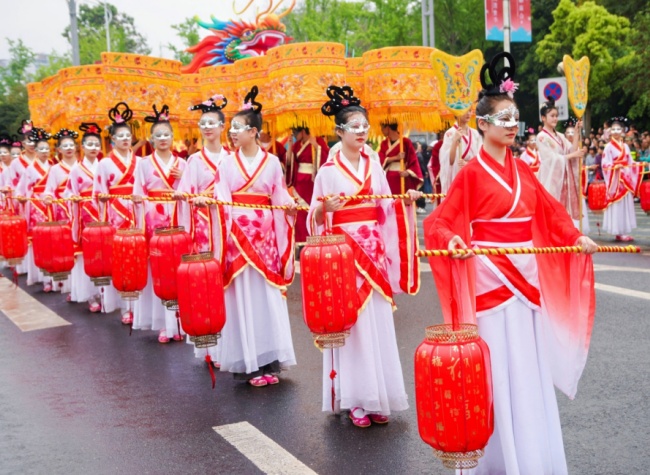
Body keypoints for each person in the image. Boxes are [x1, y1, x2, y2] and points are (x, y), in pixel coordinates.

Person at [424, 52, 597, 474]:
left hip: (527, 279)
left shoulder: (523, 169)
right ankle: (500, 462)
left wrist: (575, 236)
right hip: (490, 279)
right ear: (483, 124)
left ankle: (534, 457)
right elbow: (439, 223)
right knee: (497, 369)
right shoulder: (471, 174)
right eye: (502, 118)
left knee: (529, 369)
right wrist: (453, 243)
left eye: (514, 117)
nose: (511, 125)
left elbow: (550, 212)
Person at [308, 85, 421, 427]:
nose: (360, 132)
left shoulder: (375, 166)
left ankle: (379, 395)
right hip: (345, 259)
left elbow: (387, 206)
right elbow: (314, 217)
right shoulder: (327, 171)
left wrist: (407, 199)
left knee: (378, 324)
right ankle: (355, 398)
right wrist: (323, 209)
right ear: (339, 131)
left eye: (364, 126)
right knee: (353, 326)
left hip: (374, 254)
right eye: (353, 127)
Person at [194, 86, 297, 387]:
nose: (233, 133)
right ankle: (249, 363)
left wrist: (289, 208)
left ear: (253, 132)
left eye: (238, 128)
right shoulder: (227, 164)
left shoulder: (273, 162)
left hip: (265, 237)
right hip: (237, 236)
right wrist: (211, 205)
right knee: (243, 298)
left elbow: (278, 196)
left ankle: (269, 361)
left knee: (266, 297)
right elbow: (221, 196)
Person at [175, 93, 230, 364]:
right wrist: (189, 198)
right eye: (203, 124)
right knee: (208, 284)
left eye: (212, 123)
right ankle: (210, 347)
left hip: (230, 228)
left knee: (229, 284)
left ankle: (232, 345)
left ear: (223, 126)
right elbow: (184, 192)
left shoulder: (233, 158)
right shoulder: (194, 161)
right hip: (205, 229)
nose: (207, 128)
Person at [132, 104, 187, 343]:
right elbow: (137, 194)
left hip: (177, 218)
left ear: (173, 137)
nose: (163, 139)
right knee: (159, 271)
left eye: (167, 134)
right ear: (151, 138)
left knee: (178, 271)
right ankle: (164, 323)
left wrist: (182, 180)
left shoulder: (183, 164)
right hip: (153, 220)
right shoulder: (143, 164)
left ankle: (180, 321)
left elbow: (190, 193)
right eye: (158, 135)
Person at [93, 102, 140, 325]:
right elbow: (97, 192)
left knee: (139, 255)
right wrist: (103, 198)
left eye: (127, 135)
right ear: (112, 140)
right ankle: (124, 306)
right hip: (115, 212)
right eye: (119, 136)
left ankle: (140, 306)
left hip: (138, 211)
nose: (124, 139)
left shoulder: (140, 162)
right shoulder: (103, 164)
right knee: (121, 257)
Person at [537, 105, 585, 230]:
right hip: (551, 179)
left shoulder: (560, 136)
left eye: (556, 116)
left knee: (563, 211)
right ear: (543, 118)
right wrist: (573, 154)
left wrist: (576, 133)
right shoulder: (541, 137)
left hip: (564, 178)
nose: (555, 119)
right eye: (552, 116)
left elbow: (571, 149)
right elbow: (550, 159)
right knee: (552, 210)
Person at [15, 128, 52, 290]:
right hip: (36, 205)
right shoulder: (30, 169)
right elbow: (21, 190)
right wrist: (23, 199)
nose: (44, 152)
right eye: (41, 149)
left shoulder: (53, 165)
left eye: (46, 148)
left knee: (54, 240)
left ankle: (56, 275)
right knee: (40, 241)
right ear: (36, 151)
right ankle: (43, 277)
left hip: (52, 205)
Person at [601, 117, 643, 242]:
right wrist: (614, 166)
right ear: (610, 131)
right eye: (613, 129)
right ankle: (617, 230)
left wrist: (639, 165)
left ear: (622, 131)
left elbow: (630, 162)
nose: (616, 131)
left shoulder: (625, 146)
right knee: (617, 204)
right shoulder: (608, 147)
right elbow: (605, 164)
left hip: (626, 177)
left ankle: (623, 230)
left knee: (625, 204)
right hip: (616, 179)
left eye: (618, 129)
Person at [286, 125, 329, 243]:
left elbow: (326, 156)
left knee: (313, 208)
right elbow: (290, 162)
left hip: (312, 182)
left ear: (303, 131)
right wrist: (289, 146)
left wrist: (316, 146)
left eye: (296, 132)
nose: (294, 135)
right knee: (300, 211)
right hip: (299, 183)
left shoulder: (318, 140)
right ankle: (301, 241)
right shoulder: (296, 145)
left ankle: (315, 238)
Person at [439, 109, 482, 193]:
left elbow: (481, 156)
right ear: (457, 113)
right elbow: (448, 161)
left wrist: (469, 164)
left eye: (470, 111)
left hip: (472, 172)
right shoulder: (450, 133)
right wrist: (455, 141)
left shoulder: (475, 134)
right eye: (465, 111)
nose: (468, 113)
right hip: (458, 172)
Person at [378, 121, 423, 195]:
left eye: (382, 128)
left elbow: (413, 161)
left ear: (388, 128)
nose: (381, 130)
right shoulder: (384, 143)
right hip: (387, 177)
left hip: (402, 177)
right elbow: (380, 159)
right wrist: (396, 157)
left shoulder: (405, 142)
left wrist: (408, 172)